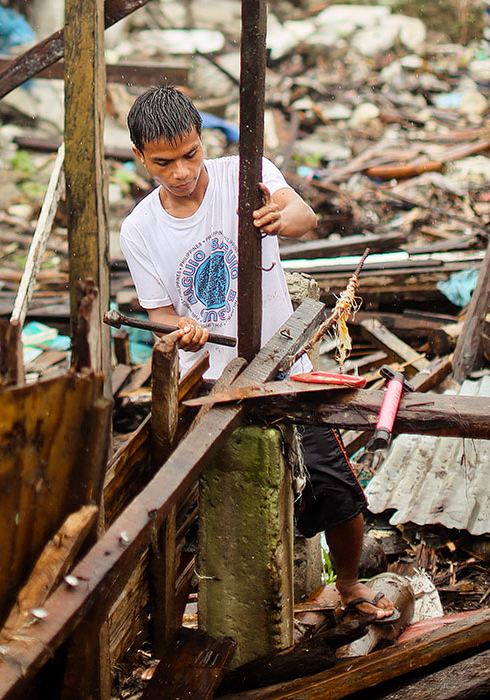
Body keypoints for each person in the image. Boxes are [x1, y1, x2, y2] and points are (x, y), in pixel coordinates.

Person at [119, 85, 395, 621]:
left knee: (336, 485)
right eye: (164, 162)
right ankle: (234, 611)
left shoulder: (243, 174)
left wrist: (279, 218)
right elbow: (161, 317)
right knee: (223, 507)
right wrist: (187, 330)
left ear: (203, 141)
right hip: (212, 388)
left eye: (190, 155)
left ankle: (352, 587)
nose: (180, 171)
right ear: (140, 158)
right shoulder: (140, 230)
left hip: (286, 366)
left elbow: (303, 215)